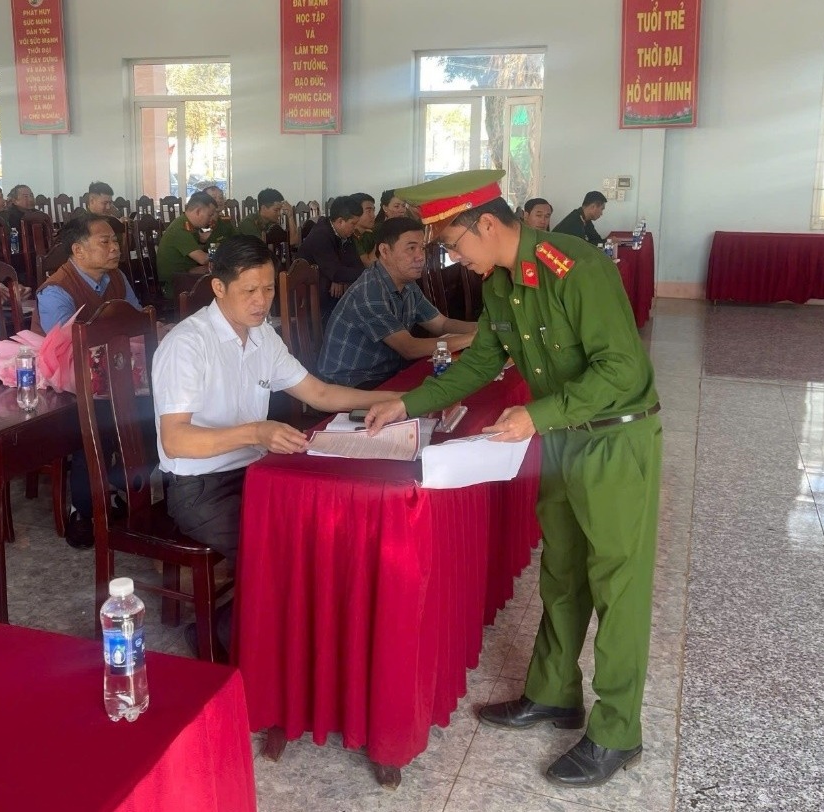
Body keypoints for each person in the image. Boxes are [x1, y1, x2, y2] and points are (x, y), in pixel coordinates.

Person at [365, 170, 661, 789]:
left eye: (455, 245)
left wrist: (536, 415)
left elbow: (621, 369)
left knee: (618, 586)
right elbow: (481, 361)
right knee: (563, 570)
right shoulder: (501, 283)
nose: (455, 259)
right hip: (563, 438)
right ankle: (553, 693)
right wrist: (407, 405)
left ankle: (617, 732)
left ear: (488, 225)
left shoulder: (574, 267)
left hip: (614, 439)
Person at [152, 234, 401, 650]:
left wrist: (399, 399)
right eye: (249, 290)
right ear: (219, 287)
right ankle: (222, 638)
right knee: (285, 548)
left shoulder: (262, 335)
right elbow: (175, 440)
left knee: (324, 526)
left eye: (268, 289)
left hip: (255, 473)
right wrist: (256, 432)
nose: (261, 301)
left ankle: (277, 636)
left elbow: (319, 393)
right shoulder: (188, 344)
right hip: (200, 489)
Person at [32, 213, 142, 548]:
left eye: (115, 241)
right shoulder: (56, 290)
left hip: (112, 369)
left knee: (156, 411)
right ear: (78, 250)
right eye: (105, 242)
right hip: (65, 378)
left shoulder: (116, 277)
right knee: (97, 419)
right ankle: (83, 509)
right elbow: (66, 348)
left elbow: (137, 321)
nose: (115, 248)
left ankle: (122, 486)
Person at [318, 216, 476, 388]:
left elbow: (442, 324)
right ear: (385, 251)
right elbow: (409, 348)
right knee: (447, 390)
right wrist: (474, 338)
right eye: (411, 248)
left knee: (460, 383)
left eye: (422, 248)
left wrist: (487, 327)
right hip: (351, 384)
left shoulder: (407, 284)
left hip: (387, 373)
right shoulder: (369, 292)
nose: (420, 257)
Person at [296, 194, 364, 320]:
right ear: (340, 221)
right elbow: (337, 273)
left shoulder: (344, 233)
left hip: (326, 283)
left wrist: (339, 278)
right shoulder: (321, 235)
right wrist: (339, 276)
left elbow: (355, 264)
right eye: (353, 224)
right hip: (309, 291)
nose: (355, 228)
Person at [156, 190, 217, 296]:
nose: (211, 219)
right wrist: (223, 252)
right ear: (198, 211)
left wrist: (202, 241)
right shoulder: (180, 229)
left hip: (186, 276)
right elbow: (202, 259)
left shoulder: (188, 225)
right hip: (175, 285)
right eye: (210, 215)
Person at [350, 192, 377, 266]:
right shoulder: (350, 237)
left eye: (373, 211)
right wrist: (381, 241)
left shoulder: (368, 234)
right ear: (355, 213)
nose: (373, 215)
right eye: (368, 211)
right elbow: (368, 264)